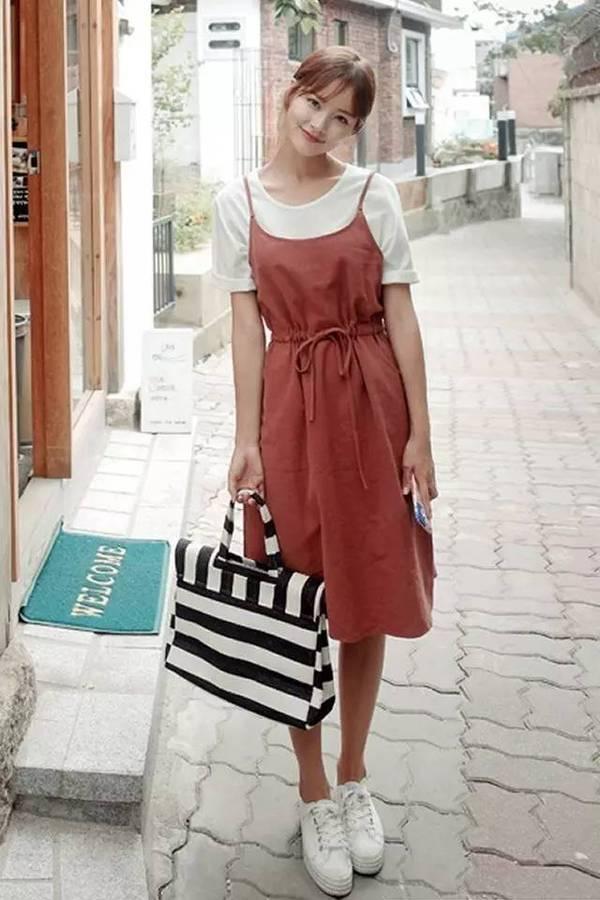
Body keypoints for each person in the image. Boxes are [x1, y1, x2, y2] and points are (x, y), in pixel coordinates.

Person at [211, 45, 437, 898]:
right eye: (316, 104)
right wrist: (246, 440)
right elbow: (246, 330)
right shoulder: (238, 204)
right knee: (296, 600)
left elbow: (401, 315)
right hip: (290, 413)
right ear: (289, 94)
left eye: (343, 118)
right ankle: (312, 792)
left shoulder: (373, 195)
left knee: (366, 591)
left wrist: (421, 436)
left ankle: (353, 777)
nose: (322, 125)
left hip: (372, 410)